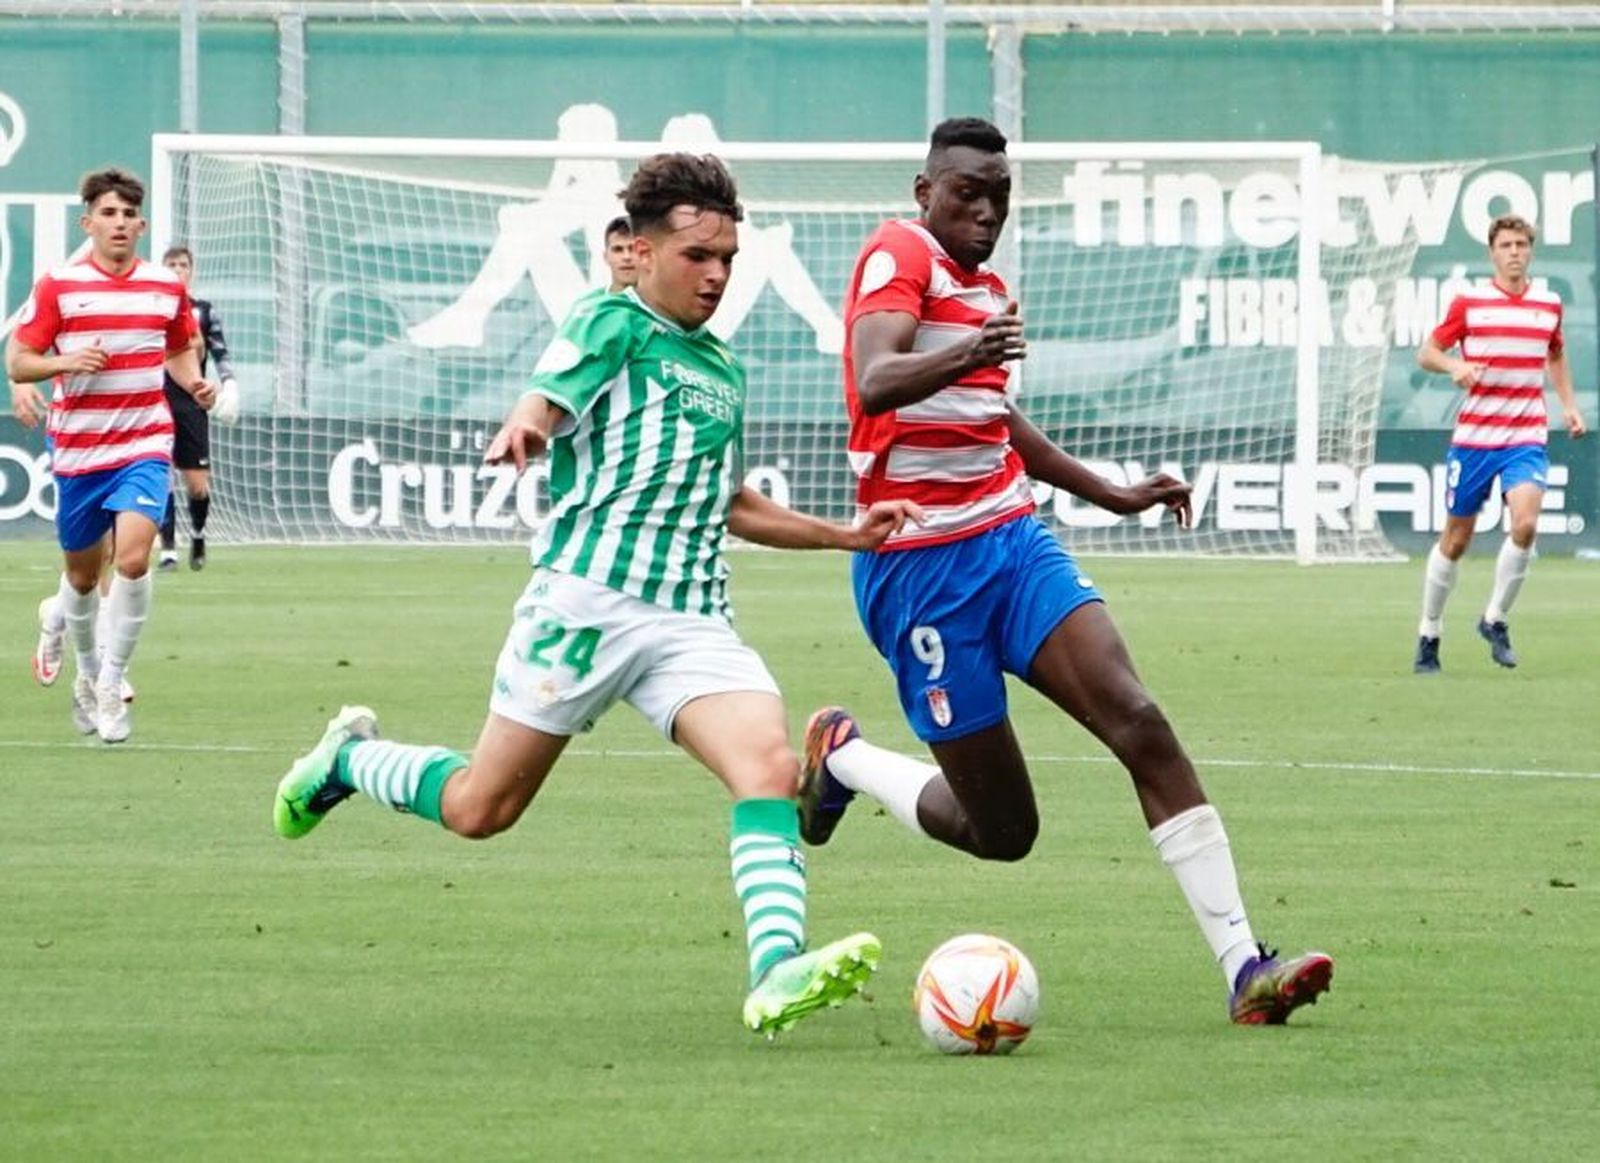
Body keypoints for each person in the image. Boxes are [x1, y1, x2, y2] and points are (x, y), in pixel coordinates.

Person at [271, 151, 921, 1038]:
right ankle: (348, 760)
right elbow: (550, 393)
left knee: (768, 767)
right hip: (586, 603)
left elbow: (730, 501)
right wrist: (527, 422)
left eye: (728, 258)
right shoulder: (613, 321)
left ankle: (776, 967)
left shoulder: (723, 368)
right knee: (480, 808)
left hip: (691, 618)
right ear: (640, 252)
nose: (717, 274)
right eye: (698, 256)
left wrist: (844, 533)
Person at [797, 118, 1332, 1026]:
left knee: (1140, 720)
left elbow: (995, 420)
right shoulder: (899, 252)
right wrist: (970, 350)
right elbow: (877, 375)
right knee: (1004, 832)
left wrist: (1111, 492)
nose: (986, 210)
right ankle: (843, 756)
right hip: (920, 575)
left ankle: (1247, 968)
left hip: (1011, 542)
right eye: (967, 191)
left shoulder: (989, 290)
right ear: (925, 191)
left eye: (1000, 196)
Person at [5, 167, 214, 742]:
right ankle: (86, 669)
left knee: (132, 561)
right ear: (88, 223)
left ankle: (112, 679)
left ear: (141, 225)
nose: (119, 223)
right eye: (108, 213)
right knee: (80, 576)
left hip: (145, 440)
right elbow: (19, 360)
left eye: (128, 215)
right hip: (80, 448)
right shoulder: (59, 286)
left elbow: (179, 348)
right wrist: (65, 363)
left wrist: (195, 382)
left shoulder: (165, 287)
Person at [1411, 214, 1588, 674]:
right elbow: (1427, 352)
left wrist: (1569, 405)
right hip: (1474, 438)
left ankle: (1494, 619)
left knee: (1525, 524)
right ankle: (1429, 632)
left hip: (1525, 435)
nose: (1514, 252)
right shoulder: (1470, 303)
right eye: (1506, 245)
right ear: (1492, 252)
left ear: (1531, 251)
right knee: (1456, 540)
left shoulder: (1548, 304)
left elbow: (1556, 355)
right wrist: (1455, 367)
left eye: (1521, 245)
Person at [408, 103, 626, 347]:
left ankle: (467, 316)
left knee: (525, 228)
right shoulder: (596, 193)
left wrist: (558, 174)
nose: (559, 147)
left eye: (564, 139)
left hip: (606, 319)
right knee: (528, 232)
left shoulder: (603, 196)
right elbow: (540, 213)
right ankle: (467, 317)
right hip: (592, 316)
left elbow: (529, 218)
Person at [157, 244, 239, 571]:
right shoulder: (153, 309)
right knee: (161, 476)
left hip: (192, 403)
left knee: (197, 484)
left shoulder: (203, 311)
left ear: (192, 271)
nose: (178, 270)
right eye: (172, 265)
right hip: (158, 400)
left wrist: (230, 383)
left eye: (183, 265)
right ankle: (167, 550)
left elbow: (219, 352)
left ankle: (199, 534)